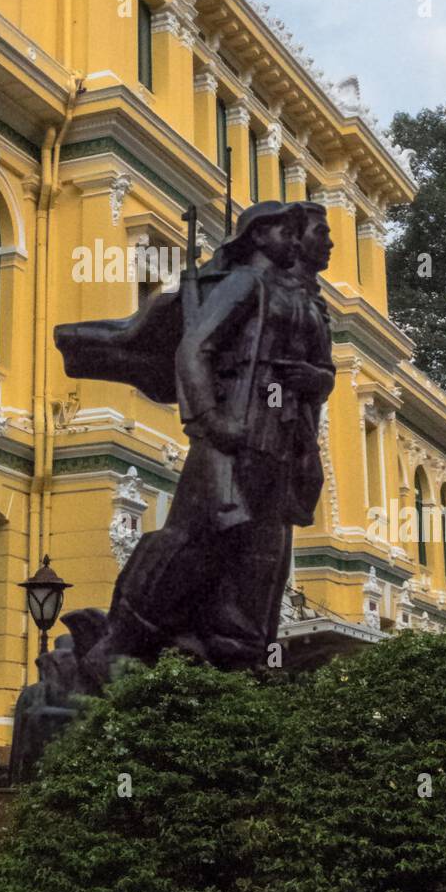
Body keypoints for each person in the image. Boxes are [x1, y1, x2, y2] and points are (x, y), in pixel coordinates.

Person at [55, 200, 336, 682]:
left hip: (283, 439)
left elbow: (325, 376)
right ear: (259, 237)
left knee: (264, 553)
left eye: (300, 231)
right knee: (195, 536)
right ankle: (120, 642)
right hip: (234, 429)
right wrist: (207, 418)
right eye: (287, 230)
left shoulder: (307, 302)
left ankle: (242, 658)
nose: (304, 240)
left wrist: (310, 377)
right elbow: (195, 348)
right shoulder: (246, 283)